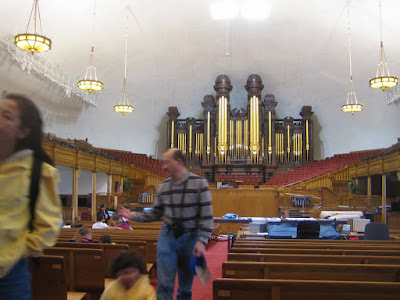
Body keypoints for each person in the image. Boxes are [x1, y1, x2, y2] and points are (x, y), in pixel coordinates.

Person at [118, 148, 213, 300]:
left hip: (190, 237)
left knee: (185, 288)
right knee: (164, 285)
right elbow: (156, 214)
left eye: (167, 162)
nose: (163, 166)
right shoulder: (163, 187)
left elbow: (207, 215)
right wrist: (132, 215)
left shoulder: (199, 183)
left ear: (179, 162)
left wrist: (202, 240)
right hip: (168, 237)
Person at [0, 93, 61, 299]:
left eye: (6, 116)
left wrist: (14, 250)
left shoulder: (39, 172)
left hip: (8, 274)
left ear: (23, 131)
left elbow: (48, 227)